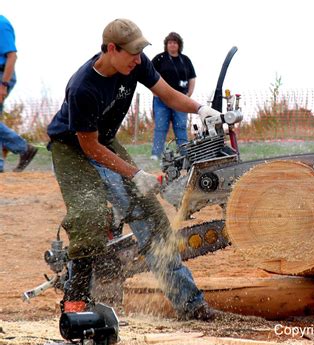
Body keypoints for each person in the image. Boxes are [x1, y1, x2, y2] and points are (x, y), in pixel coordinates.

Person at [46, 18, 220, 320]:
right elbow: (89, 148)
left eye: (140, 53)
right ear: (112, 49)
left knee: (152, 218)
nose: (138, 60)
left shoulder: (135, 64)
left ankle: (190, 304)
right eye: (132, 54)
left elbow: (166, 94)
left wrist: (200, 109)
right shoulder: (82, 87)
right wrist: (135, 173)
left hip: (105, 141)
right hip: (72, 148)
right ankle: (76, 305)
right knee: (89, 216)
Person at [0, 14, 38, 173]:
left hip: (2, 76)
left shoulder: (1, 24)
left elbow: (12, 56)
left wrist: (3, 85)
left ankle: (23, 148)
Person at [150, 32, 196, 161]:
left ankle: (184, 154)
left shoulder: (185, 60)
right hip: (161, 99)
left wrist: (189, 94)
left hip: (180, 99)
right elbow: (148, 75)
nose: (172, 45)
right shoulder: (159, 59)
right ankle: (156, 155)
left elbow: (192, 78)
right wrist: (154, 91)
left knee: (180, 127)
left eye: (175, 42)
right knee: (160, 127)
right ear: (166, 44)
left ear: (179, 45)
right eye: (170, 42)